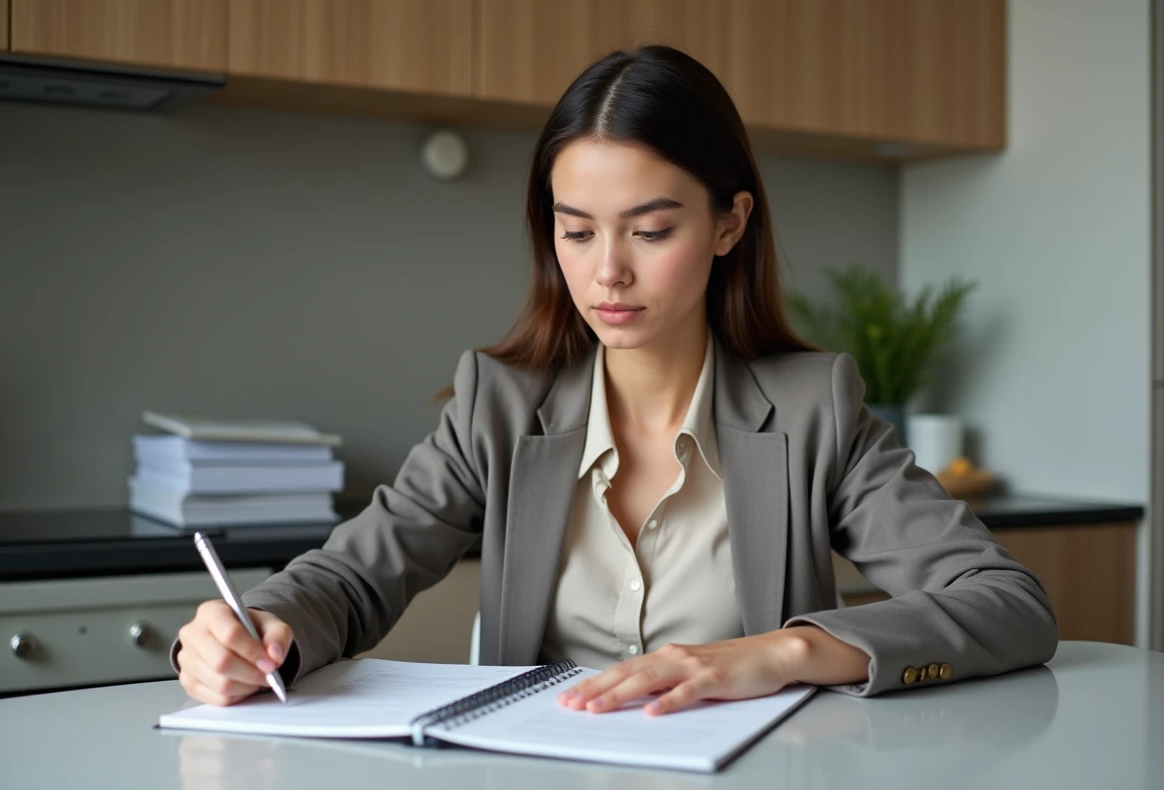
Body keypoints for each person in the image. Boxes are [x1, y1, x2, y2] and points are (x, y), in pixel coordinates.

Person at [173, 45, 1057, 716]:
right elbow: (351, 580)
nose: (607, 274)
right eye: (578, 231)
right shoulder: (498, 405)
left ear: (729, 224)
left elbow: (1008, 604)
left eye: (650, 230)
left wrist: (782, 653)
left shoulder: (812, 410)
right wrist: (256, 631)